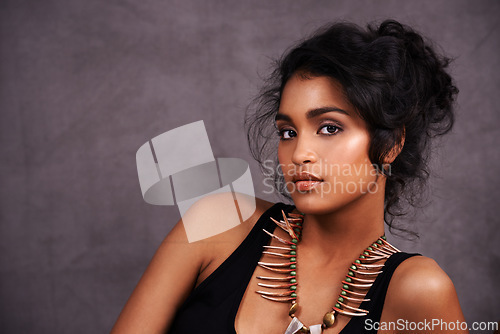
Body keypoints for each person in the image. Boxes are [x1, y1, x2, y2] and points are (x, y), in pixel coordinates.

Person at [111, 19, 467, 334]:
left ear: (391, 144)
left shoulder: (419, 291)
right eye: (287, 132)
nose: (299, 154)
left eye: (329, 127)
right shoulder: (217, 225)